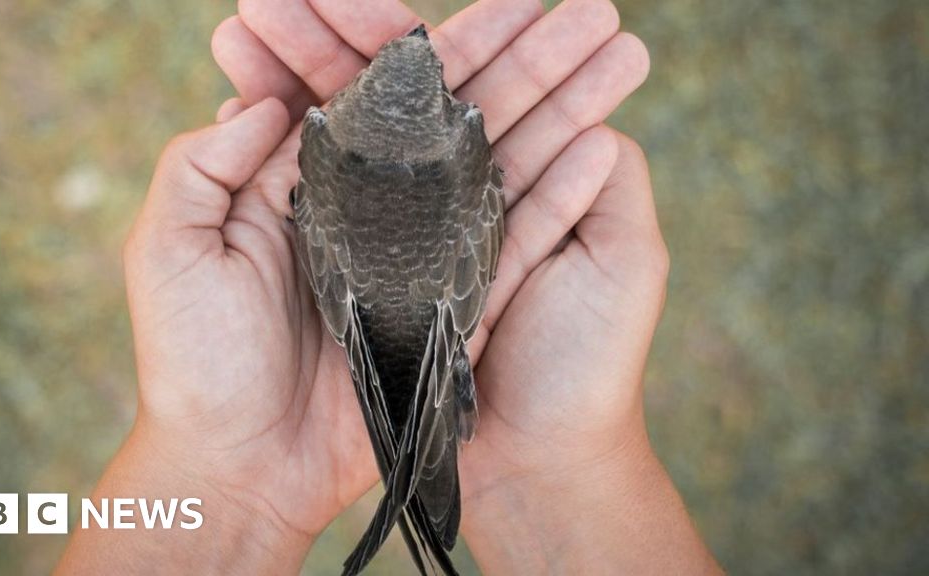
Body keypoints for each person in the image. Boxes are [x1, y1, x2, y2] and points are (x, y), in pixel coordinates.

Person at [56, 0, 723, 573]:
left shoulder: (332, 138)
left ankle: (427, 426)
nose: (423, 45)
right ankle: (429, 415)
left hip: (412, 319)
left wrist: (221, 480)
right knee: (412, 391)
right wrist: (552, 472)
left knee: (411, 396)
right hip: (418, 319)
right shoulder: (430, 138)